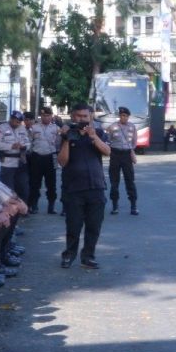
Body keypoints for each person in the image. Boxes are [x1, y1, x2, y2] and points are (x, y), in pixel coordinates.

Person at [57, 104, 109, 268]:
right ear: (73, 117)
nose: (81, 119)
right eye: (78, 116)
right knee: (73, 225)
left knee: (94, 225)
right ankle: (69, 255)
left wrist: (94, 137)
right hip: (73, 188)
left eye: (85, 116)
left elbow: (107, 151)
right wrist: (66, 140)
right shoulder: (66, 134)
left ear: (91, 117)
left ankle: (88, 256)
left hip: (96, 187)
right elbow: (62, 162)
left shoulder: (98, 132)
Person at [26, 107, 61, 214]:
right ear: (41, 116)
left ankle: (51, 206)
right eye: (44, 116)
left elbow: (59, 143)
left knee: (51, 183)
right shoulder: (34, 127)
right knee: (35, 183)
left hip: (50, 157)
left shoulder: (56, 128)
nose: (46, 118)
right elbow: (29, 142)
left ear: (51, 116)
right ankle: (34, 205)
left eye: (48, 115)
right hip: (37, 157)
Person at [0, 111, 30, 203]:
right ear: (11, 119)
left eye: (19, 122)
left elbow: (28, 143)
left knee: (23, 187)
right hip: (7, 162)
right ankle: (9, 210)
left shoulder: (22, 128)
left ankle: (22, 208)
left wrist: (25, 146)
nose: (17, 124)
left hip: (21, 162)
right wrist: (11, 146)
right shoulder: (2, 128)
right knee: (7, 188)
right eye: (16, 121)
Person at [105, 106, 138, 216]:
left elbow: (134, 142)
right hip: (115, 154)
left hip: (126, 155)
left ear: (128, 117)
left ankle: (133, 206)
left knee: (130, 180)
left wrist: (131, 150)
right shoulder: (112, 127)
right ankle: (115, 206)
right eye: (122, 115)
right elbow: (108, 140)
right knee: (114, 181)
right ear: (119, 116)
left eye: (125, 116)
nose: (123, 117)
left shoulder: (132, 127)